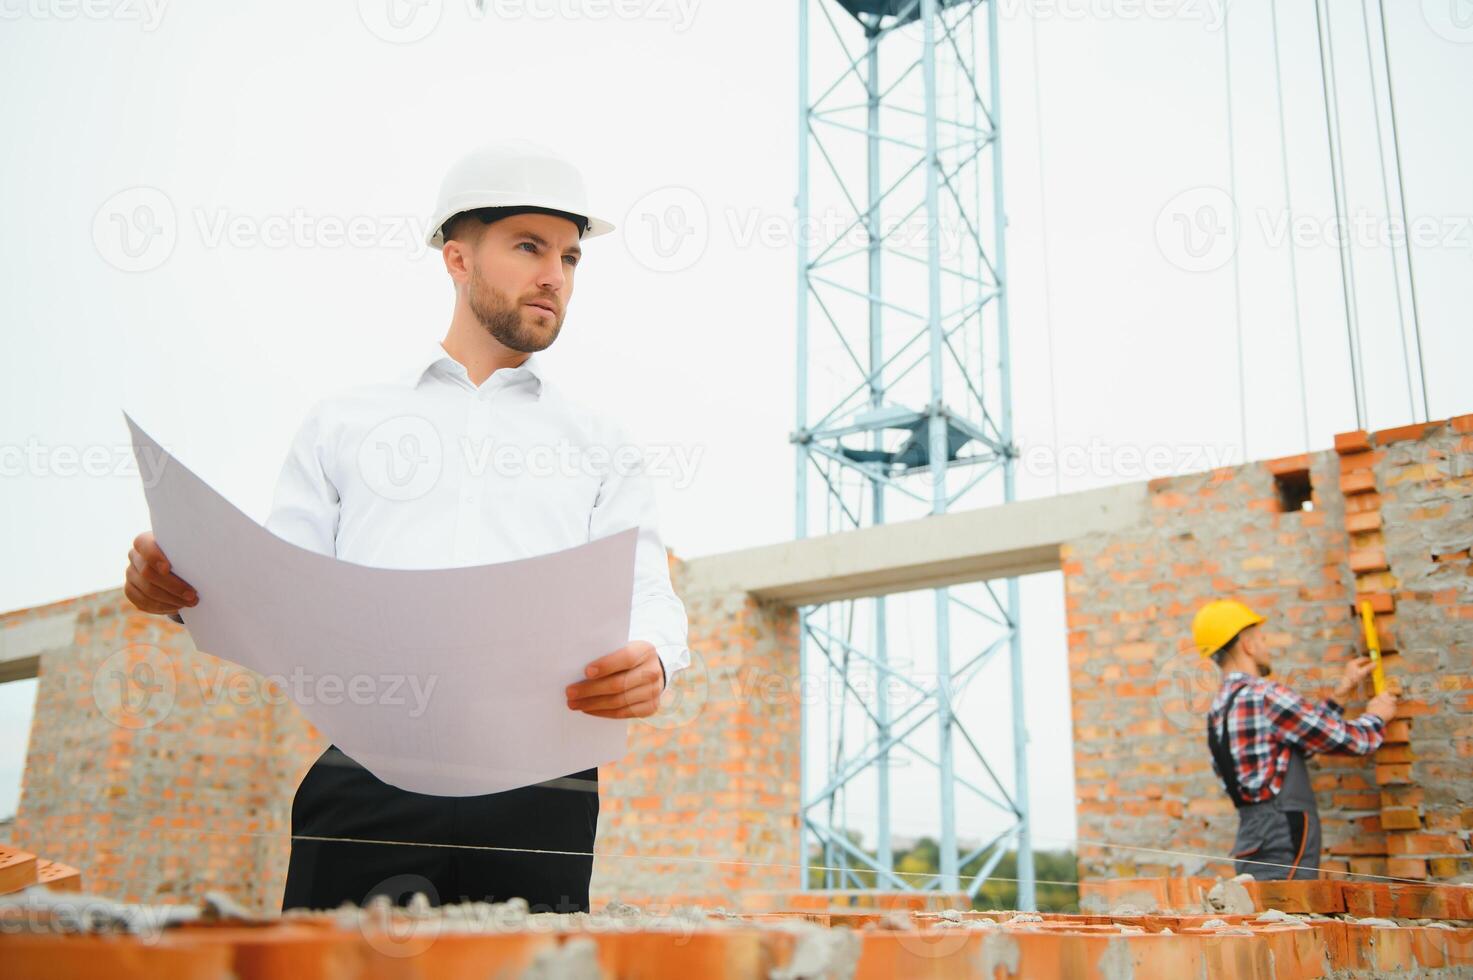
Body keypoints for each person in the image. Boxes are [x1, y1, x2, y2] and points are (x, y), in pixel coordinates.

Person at [122, 139, 691, 913]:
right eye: (528, 246)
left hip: (541, 798)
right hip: (363, 785)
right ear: (457, 259)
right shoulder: (344, 422)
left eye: (569, 255)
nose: (554, 274)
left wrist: (655, 659)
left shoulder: (602, 444)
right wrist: (182, 588)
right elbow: (278, 582)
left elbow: (646, 593)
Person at [1194, 599, 1396, 880]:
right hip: (1283, 829)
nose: (1266, 646)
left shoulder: (1218, 710)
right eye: (1261, 639)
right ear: (1248, 645)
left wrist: (1340, 694)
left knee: (1265, 918)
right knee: (1289, 913)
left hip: (1252, 833)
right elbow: (1351, 741)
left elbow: (1292, 745)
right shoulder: (1265, 695)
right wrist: (1376, 717)